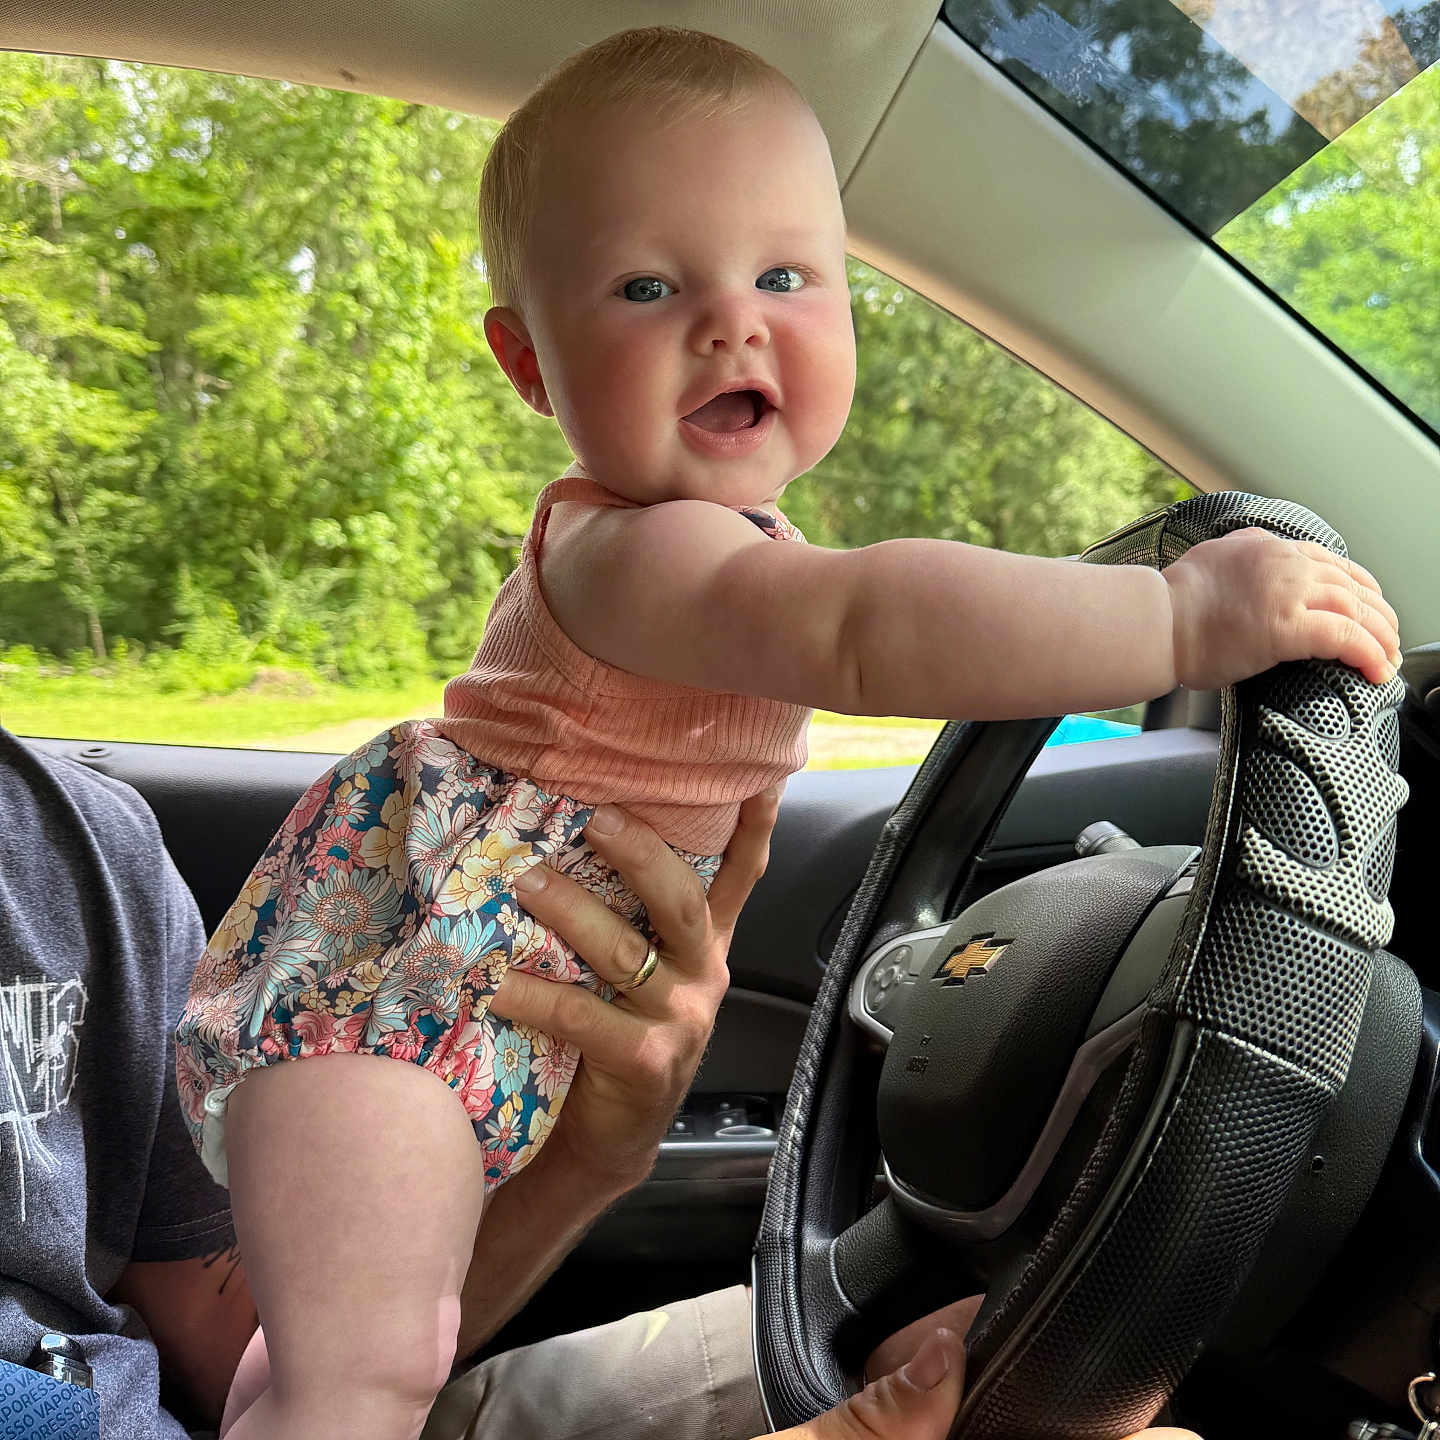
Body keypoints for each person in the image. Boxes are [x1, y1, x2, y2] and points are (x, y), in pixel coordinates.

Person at [174, 24, 1400, 1440]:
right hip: (391, 1009)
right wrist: (1181, 628)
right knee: (358, 1384)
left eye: (782, 275)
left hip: (469, 1025)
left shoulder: (720, 550)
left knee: (332, 1364)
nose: (730, 322)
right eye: (647, 285)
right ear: (529, 363)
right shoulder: (637, 557)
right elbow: (866, 625)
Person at [0, 726, 1193, 1439]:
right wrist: (1181, 618)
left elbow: (265, 1359)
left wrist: (585, 1152)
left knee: (982, 1359)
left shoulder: (70, 842)